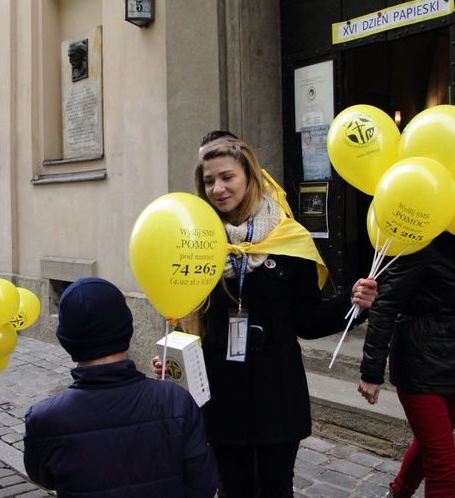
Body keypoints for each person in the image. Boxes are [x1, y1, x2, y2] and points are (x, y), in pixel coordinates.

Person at [155, 137, 378, 497]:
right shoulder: (194, 240)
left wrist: (351, 303)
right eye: (209, 180)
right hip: (220, 389)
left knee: (276, 488)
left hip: (276, 387)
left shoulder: (289, 239)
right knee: (232, 487)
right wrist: (174, 360)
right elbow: (187, 317)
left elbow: (307, 320)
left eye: (227, 177)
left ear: (250, 176)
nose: (218, 188)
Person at [23, 277, 219, 498]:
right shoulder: (177, 401)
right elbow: (203, 484)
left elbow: (43, 477)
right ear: (127, 327)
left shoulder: (44, 419)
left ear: (66, 338)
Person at [358, 232, 455, 497]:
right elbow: (385, 306)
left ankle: (398, 492)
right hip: (419, 361)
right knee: (443, 464)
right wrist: (371, 372)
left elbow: (444, 297)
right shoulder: (420, 247)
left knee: (429, 445)